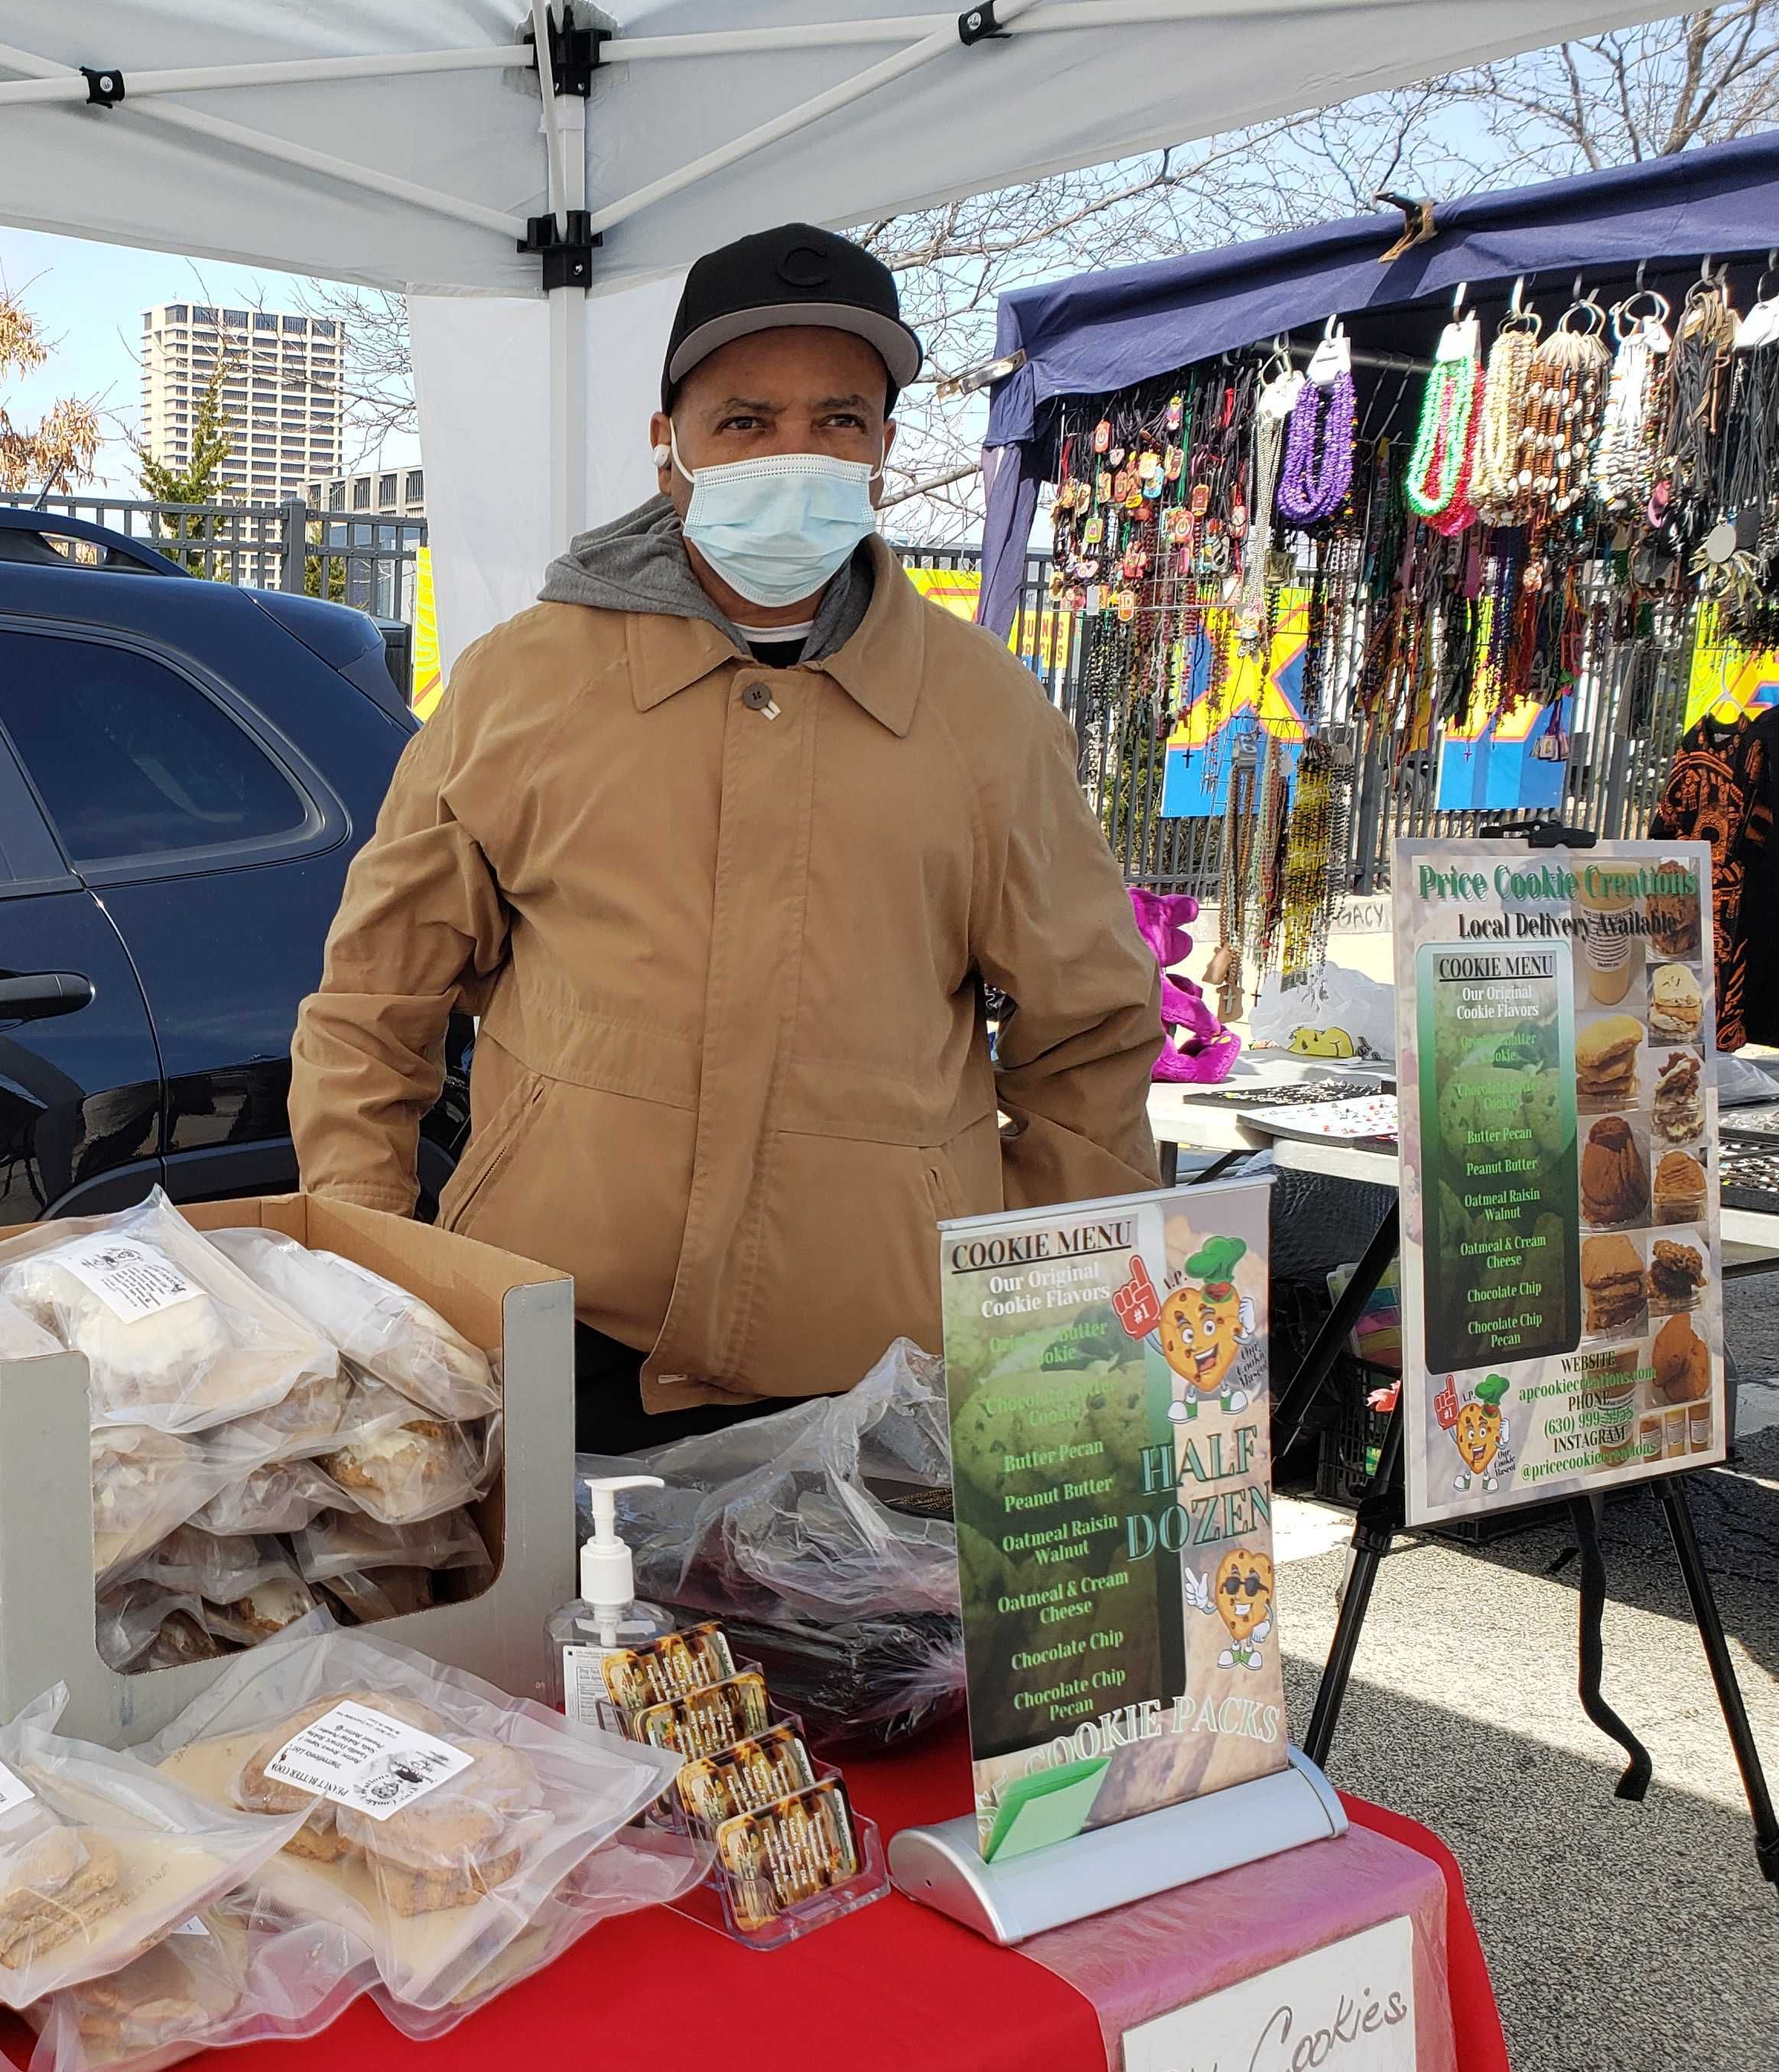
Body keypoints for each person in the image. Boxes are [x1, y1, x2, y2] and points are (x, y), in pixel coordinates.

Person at [291, 223, 1163, 1454]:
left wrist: (1039, 1321)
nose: (793, 455)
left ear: (884, 454)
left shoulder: (989, 720)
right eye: (746, 422)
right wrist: (376, 1279)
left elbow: (1092, 1038)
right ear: (670, 451)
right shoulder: (523, 687)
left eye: (839, 421)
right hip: (551, 1348)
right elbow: (374, 1005)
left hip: (876, 1388)